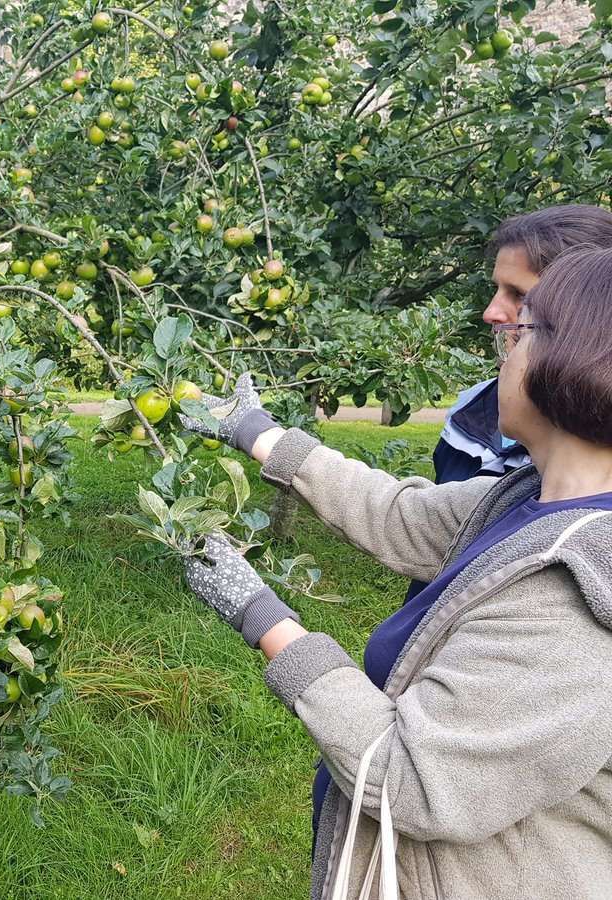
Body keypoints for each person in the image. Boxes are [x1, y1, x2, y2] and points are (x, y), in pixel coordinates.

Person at [179, 247, 612, 899]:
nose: (501, 344)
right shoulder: (528, 499)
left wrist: (260, 615)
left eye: (519, 331)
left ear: (573, 358)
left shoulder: (579, 589)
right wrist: (256, 431)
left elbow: (413, 775)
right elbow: (401, 516)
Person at [404, 205, 612, 599]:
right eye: (496, 288)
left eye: (519, 296)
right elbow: (432, 523)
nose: (491, 312)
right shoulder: (472, 409)